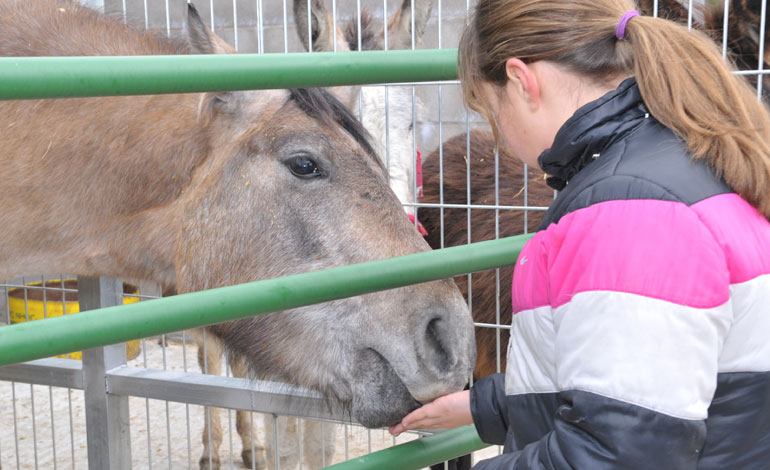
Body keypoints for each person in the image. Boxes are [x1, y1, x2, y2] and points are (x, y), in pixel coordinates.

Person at [389, 1, 770, 468]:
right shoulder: (685, 166)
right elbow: (651, 387)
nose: (500, 136)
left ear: (521, 81)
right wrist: (484, 406)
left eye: (490, 109)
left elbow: (619, 454)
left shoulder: (628, 211)